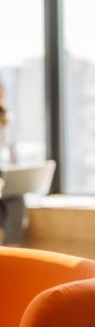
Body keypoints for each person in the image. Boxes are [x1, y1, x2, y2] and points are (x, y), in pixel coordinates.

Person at [0, 80, 25, 247]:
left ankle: (12, 251)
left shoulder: (8, 121)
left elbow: (14, 156)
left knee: (17, 201)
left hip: (2, 175)